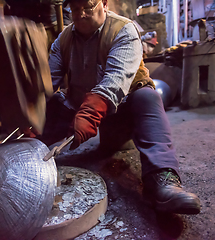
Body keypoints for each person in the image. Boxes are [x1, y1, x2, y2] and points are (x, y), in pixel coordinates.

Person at [39, 0, 201, 215]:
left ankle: (162, 180)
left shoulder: (124, 30)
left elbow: (116, 79)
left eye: (87, 6)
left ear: (104, 3)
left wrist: (91, 111)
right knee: (46, 114)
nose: (81, 14)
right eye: (75, 8)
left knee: (147, 98)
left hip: (123, 110)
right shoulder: (63, 39)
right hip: (82, 109)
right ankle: (16, 155)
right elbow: (49, 82)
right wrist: (33, 111)